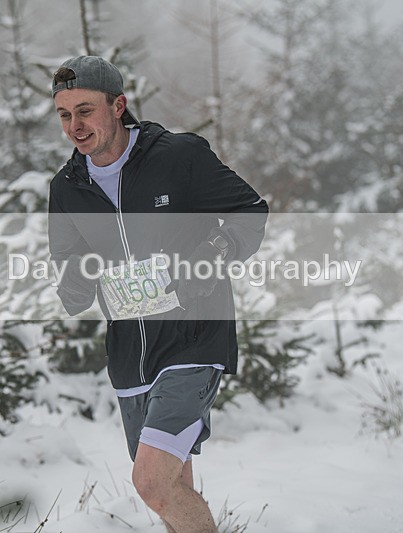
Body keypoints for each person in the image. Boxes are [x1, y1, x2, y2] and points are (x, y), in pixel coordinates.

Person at [47, 55, 268, 532]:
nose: (74, 126)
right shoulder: (66, 188)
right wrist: (79, 277)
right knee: (170, 487)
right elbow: (70, 282)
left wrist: (212, 254)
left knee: (149, 482)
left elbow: (250, 212)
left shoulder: (178, 157)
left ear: (118, 105)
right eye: (64, 114)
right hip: (131, 356)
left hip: (194, 337)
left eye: (85, 110)